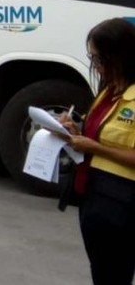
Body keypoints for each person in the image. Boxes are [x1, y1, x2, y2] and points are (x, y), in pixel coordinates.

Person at [56, 17, 135, 285]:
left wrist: (96, 148)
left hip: (122, 203)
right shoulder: (109, 91)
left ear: (121, 56)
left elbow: (104, 147)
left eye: (100, 59)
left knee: (114, 275)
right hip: (93, 194)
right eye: (93, 58)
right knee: (102, 271)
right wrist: (74, 131)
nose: (96, 66)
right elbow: (97, 134)